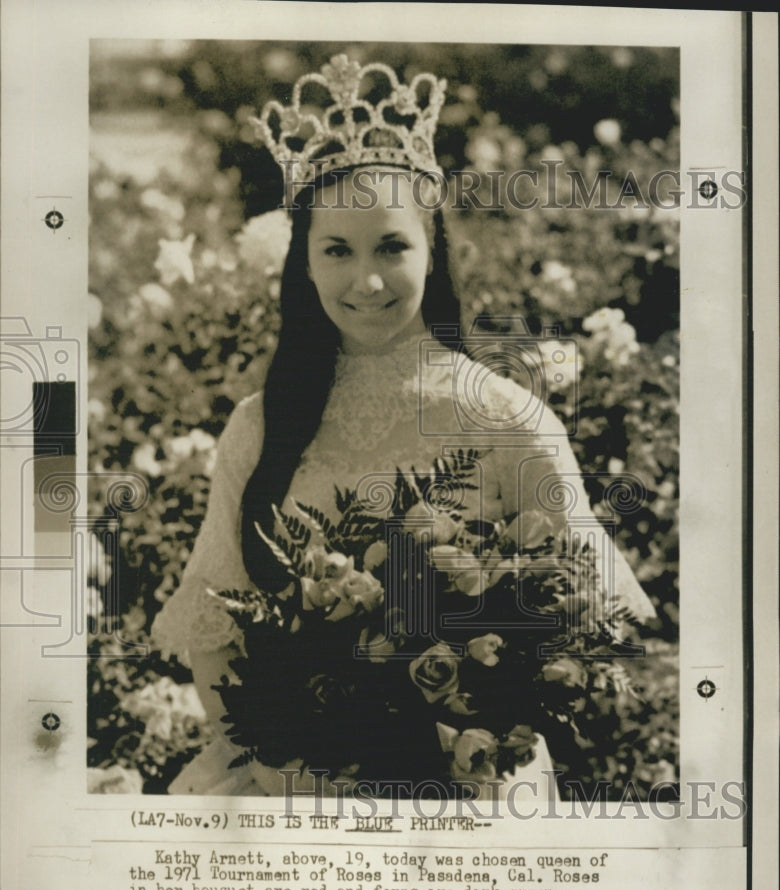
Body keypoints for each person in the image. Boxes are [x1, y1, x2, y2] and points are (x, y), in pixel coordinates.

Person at [151, 53, 655, 798]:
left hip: (471, 783)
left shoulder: (507, 418)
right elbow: (214, 632)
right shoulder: (261, 427)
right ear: (307, 266)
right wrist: (273, 754)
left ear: (431, 250)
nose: (368, 281)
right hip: (290, 782)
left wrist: (490, 713)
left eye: (392, 246)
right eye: (338, 252)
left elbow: (584, 613)